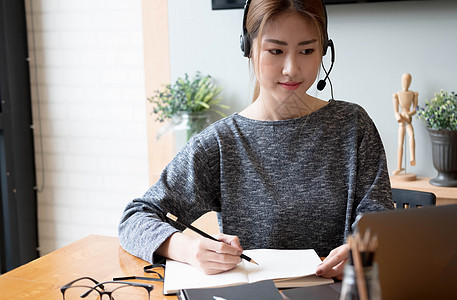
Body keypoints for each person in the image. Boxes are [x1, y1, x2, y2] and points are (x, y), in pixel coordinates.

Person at [119, 0, 394, 280]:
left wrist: (361, 249)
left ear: (325, 51)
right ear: (248, 48)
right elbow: (135, 218)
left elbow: (382, 222)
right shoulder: (222, 143)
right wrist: (188, 248)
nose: (292, 69)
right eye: (276, 50)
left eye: (307, 51)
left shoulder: (353, 125)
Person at [392, 73, 418, 176]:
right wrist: (399, 116)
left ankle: (412, 158)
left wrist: (409, 114)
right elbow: (395, 111)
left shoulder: (413, 94)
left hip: (408, 118)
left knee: (411, 135)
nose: (406, 83)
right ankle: (399, 167)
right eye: (404, 80)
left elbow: (415, 108)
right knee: (400, 143)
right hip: (402, 120)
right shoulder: (397, 94)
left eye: (408, 80)